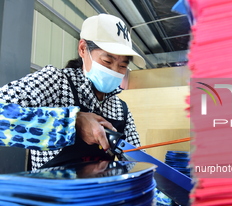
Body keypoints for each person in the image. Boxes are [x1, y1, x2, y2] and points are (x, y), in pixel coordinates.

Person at [0, 14, 145, 169]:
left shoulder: (120, 109)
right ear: (83, 49)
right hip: (51, 191)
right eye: (107, 61)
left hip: (99, 192)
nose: (115, 71)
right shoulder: (55, 83)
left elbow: (134, 161)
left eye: (122, 65)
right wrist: (71, 123)